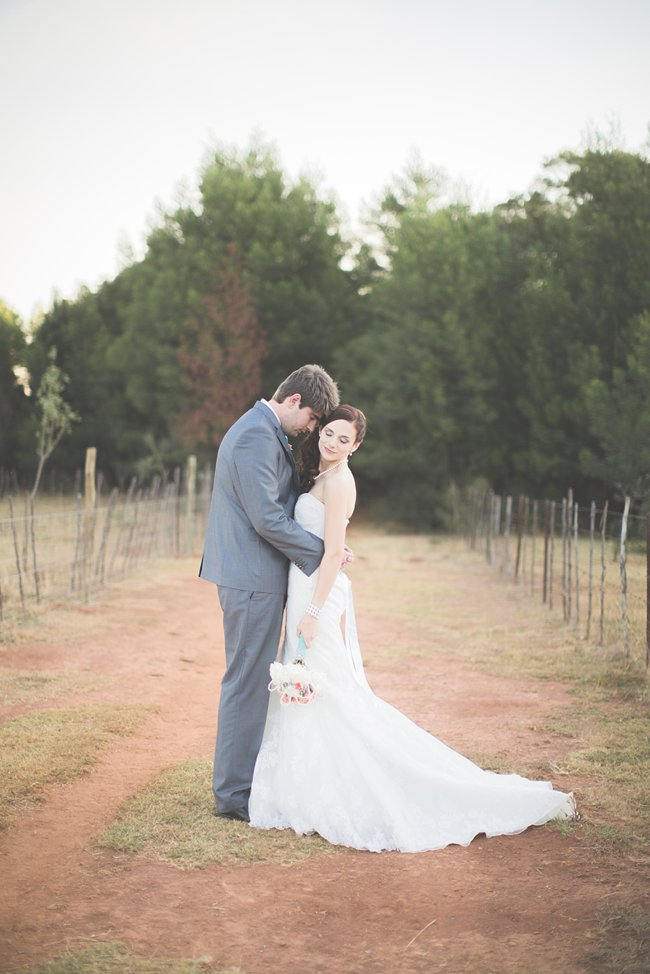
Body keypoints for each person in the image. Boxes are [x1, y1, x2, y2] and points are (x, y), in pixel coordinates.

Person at [249, 405, 576, 852]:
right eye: (329, 433)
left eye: (344, 440)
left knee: (325, 688)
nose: (332, 443)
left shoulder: (341, 481)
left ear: (357, 446)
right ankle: (303, 784)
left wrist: (313, 612)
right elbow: (329, 542)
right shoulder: (322, 477)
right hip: (306, 586)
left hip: (316, 595)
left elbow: (330, 555)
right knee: (314, 686)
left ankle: (342, 786)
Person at [200, 364, 340, 821]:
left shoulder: (264, 431)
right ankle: (234, 797)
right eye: (314, 419)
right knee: (246, 682)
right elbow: (266, 518)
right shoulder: (255, 436)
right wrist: (324, 553)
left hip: (256, 575)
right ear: (295, 400)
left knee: (251, 679)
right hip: (250, 578)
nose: (314, 429)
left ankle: (241, 785)